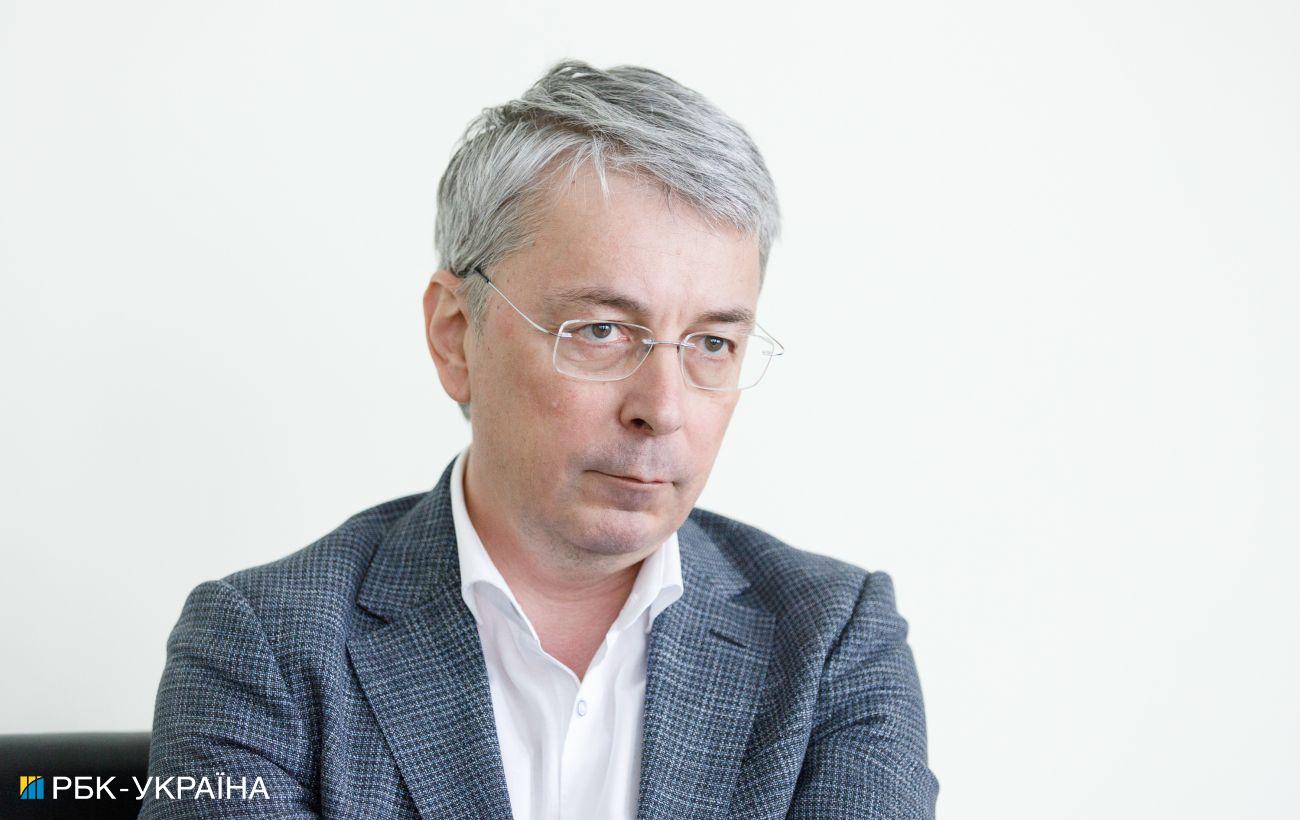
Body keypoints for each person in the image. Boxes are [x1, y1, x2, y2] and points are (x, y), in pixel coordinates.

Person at [141, 59, 939, 819]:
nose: (663, 408)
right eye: (601, 330)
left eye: (712, 344)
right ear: (457, 336)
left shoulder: (833, 643)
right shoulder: (262, 647)